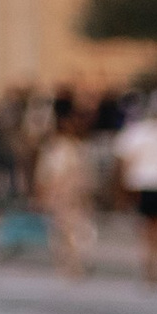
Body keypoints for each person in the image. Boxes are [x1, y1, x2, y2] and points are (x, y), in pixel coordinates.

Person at [113, 94, 157, 282]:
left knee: (148, 228)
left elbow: (125, 163)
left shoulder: (136, 133)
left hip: (145, 184)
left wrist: (122, 190)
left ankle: (152, 264)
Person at [33, 110, 94, 277]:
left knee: (71, 229)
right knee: (64, 229)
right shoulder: (63, 148)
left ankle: (72, 262)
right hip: (63, 193)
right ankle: (69, 262)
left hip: (68, 193)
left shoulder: (69, 148)